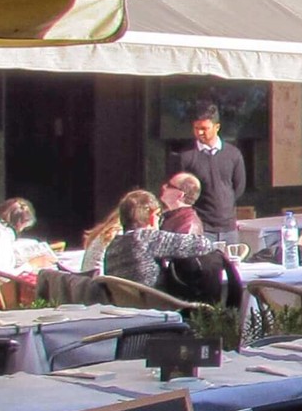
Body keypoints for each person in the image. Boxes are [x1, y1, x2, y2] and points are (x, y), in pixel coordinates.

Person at [101, 190, 236, 305]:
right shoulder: (147, 238)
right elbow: (202, 244)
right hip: (159, 307)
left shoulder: (113, 245)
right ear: (153, 216)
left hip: (127, 310)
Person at [172, 104, 246, 244]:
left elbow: (239, 187)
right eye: (196, 128)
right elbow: (179, 190)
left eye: (204, 129)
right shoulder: (186, 156)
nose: (199, 133)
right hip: (201, 226)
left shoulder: (233, 154)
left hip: (228, 228)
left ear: (217, 127)